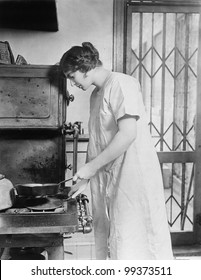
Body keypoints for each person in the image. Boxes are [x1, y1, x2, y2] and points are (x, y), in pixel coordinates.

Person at [60, 42, 173, 260]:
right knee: (118, 242)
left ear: (84, 68)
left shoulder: (121, 83)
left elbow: (128, 134)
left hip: (133, 174)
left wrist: (92, 168)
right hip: (111, 175)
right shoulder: (96, 95)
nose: (73, 84)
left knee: (138, 241)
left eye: (72, 77)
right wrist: (85, 177)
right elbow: (98, 141)